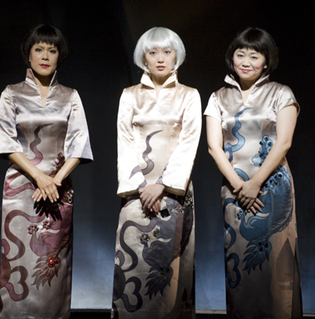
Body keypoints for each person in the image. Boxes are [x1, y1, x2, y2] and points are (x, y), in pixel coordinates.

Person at [0, 24, 93, 319]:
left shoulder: (71, 96)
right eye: (39, 49)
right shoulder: (11, 93)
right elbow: (6, 143)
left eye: (52, 50)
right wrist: (39, 176)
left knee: (53, 262)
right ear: (28, 54)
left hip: (59, 190)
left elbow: (80, 144)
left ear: (60, 56)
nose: (45, 55)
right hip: (21, 189)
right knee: (17, 259)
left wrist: (56, 180)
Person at [204, 27, 302, 318]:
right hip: (235, 191)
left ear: (267, 60)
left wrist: (256, 183)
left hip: (273, 189)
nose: (246, 61)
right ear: (231, 58)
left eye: (254, 55)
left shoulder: (281, 93)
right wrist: (238, 185)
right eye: (240, 54)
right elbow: (213, 147)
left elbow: (284, 142)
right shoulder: (218, 97)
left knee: (275, 266)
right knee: (239, 264)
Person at [111, 27, 201, 319]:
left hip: (174, 194)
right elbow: (124, 143)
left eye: (167, 51)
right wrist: (141, 186)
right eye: (153, 52)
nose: (160, 58)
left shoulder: (190, 95)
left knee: (174, 270)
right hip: (136, 194)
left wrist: (162, 184)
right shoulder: (129, 95)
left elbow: (189, 143)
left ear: (177, 56)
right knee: (132, 262)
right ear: (143, 58)